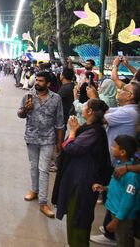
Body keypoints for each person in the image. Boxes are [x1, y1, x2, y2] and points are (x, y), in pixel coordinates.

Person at [51, 99, 112, 246]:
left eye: (85, 105)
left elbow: (71, 148)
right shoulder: (89, 127)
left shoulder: (94, 132)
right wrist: (76, 130)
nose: (83, 107)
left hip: (83, 182)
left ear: (90, 111)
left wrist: (72, 132)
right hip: (77, 179)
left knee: (79, 217)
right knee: (73, 216)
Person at [18, 71, 65, 218]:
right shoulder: (28, 96)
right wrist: (26, 109)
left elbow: (59, 121)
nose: (37, 82)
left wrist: (59, 142)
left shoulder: (56, 98)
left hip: (48, 139)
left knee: (43, 169)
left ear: (48, 84)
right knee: (33, 166)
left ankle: (43, 202)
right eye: (36, 80)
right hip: (31, 137)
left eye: (40, 81)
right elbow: (20, 114)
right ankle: (34, 190)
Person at [92, 135, 140, 247]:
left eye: (115, 146)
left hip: (123, 217)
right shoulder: (120, 166)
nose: (112, 148)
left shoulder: (131, 176)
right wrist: (105, 188)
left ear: (122, 152)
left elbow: (128, 199)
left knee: (124, 241)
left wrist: (117, 220)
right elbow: (118, 187)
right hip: (116, 210)